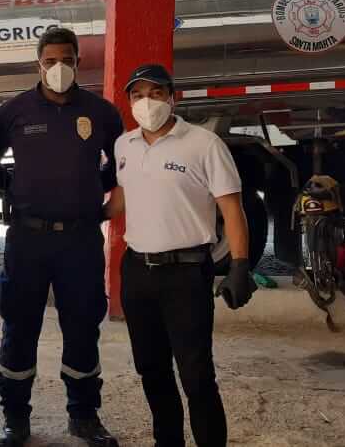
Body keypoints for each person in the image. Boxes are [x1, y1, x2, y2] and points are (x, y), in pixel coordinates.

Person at [105, 63, 255, 447]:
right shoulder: (125, 145)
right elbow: (120, 197)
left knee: (196, 375)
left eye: (156, 93)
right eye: (138, 95)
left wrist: (240, 265)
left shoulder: (204, 144)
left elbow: (232, 209)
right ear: (129, 102)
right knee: (151, 370)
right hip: (137, 271)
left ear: (173, 97)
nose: (147, 102)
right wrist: (78, 208)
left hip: (186, 275)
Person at [0, 27, 122, 447]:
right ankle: (16, 418)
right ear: (38, 64)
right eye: (50, 60)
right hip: (27, 240)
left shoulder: (102, 113)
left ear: (79, 61)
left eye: (67, 59)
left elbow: (122, 163)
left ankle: (83, 416)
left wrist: (93, 188)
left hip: (81, 240)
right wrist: (17, 188)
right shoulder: (13, 111)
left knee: (83, 326)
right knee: (19, 326)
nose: (58, 67)